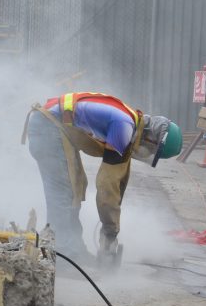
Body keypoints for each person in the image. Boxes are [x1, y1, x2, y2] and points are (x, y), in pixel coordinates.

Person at [22, 91, 182, 260]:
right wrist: (110, 232)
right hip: (48, 128)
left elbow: (118, 178)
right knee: (63, 193)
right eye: (151, 150)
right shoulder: (124, 126)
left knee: (73, 191)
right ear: (152, 139)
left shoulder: (130, 120)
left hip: (51, 126)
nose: (145, 152)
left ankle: (74, 250)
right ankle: (63, 256)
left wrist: (110, 229)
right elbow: (107, 186)